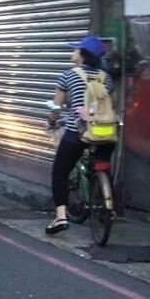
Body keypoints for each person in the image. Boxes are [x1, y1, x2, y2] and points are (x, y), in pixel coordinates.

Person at [46, 35, 116, 235]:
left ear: (82, 54)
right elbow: (111, 104)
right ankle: (107, 207)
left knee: (59, 173)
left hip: (78, 132)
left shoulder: (68, 75)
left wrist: (51, 121)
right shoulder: (106, 78)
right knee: (103, 164)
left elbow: (56, 108)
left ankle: (60, 217)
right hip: (105, 132)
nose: (73, 52)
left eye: (75, 49)